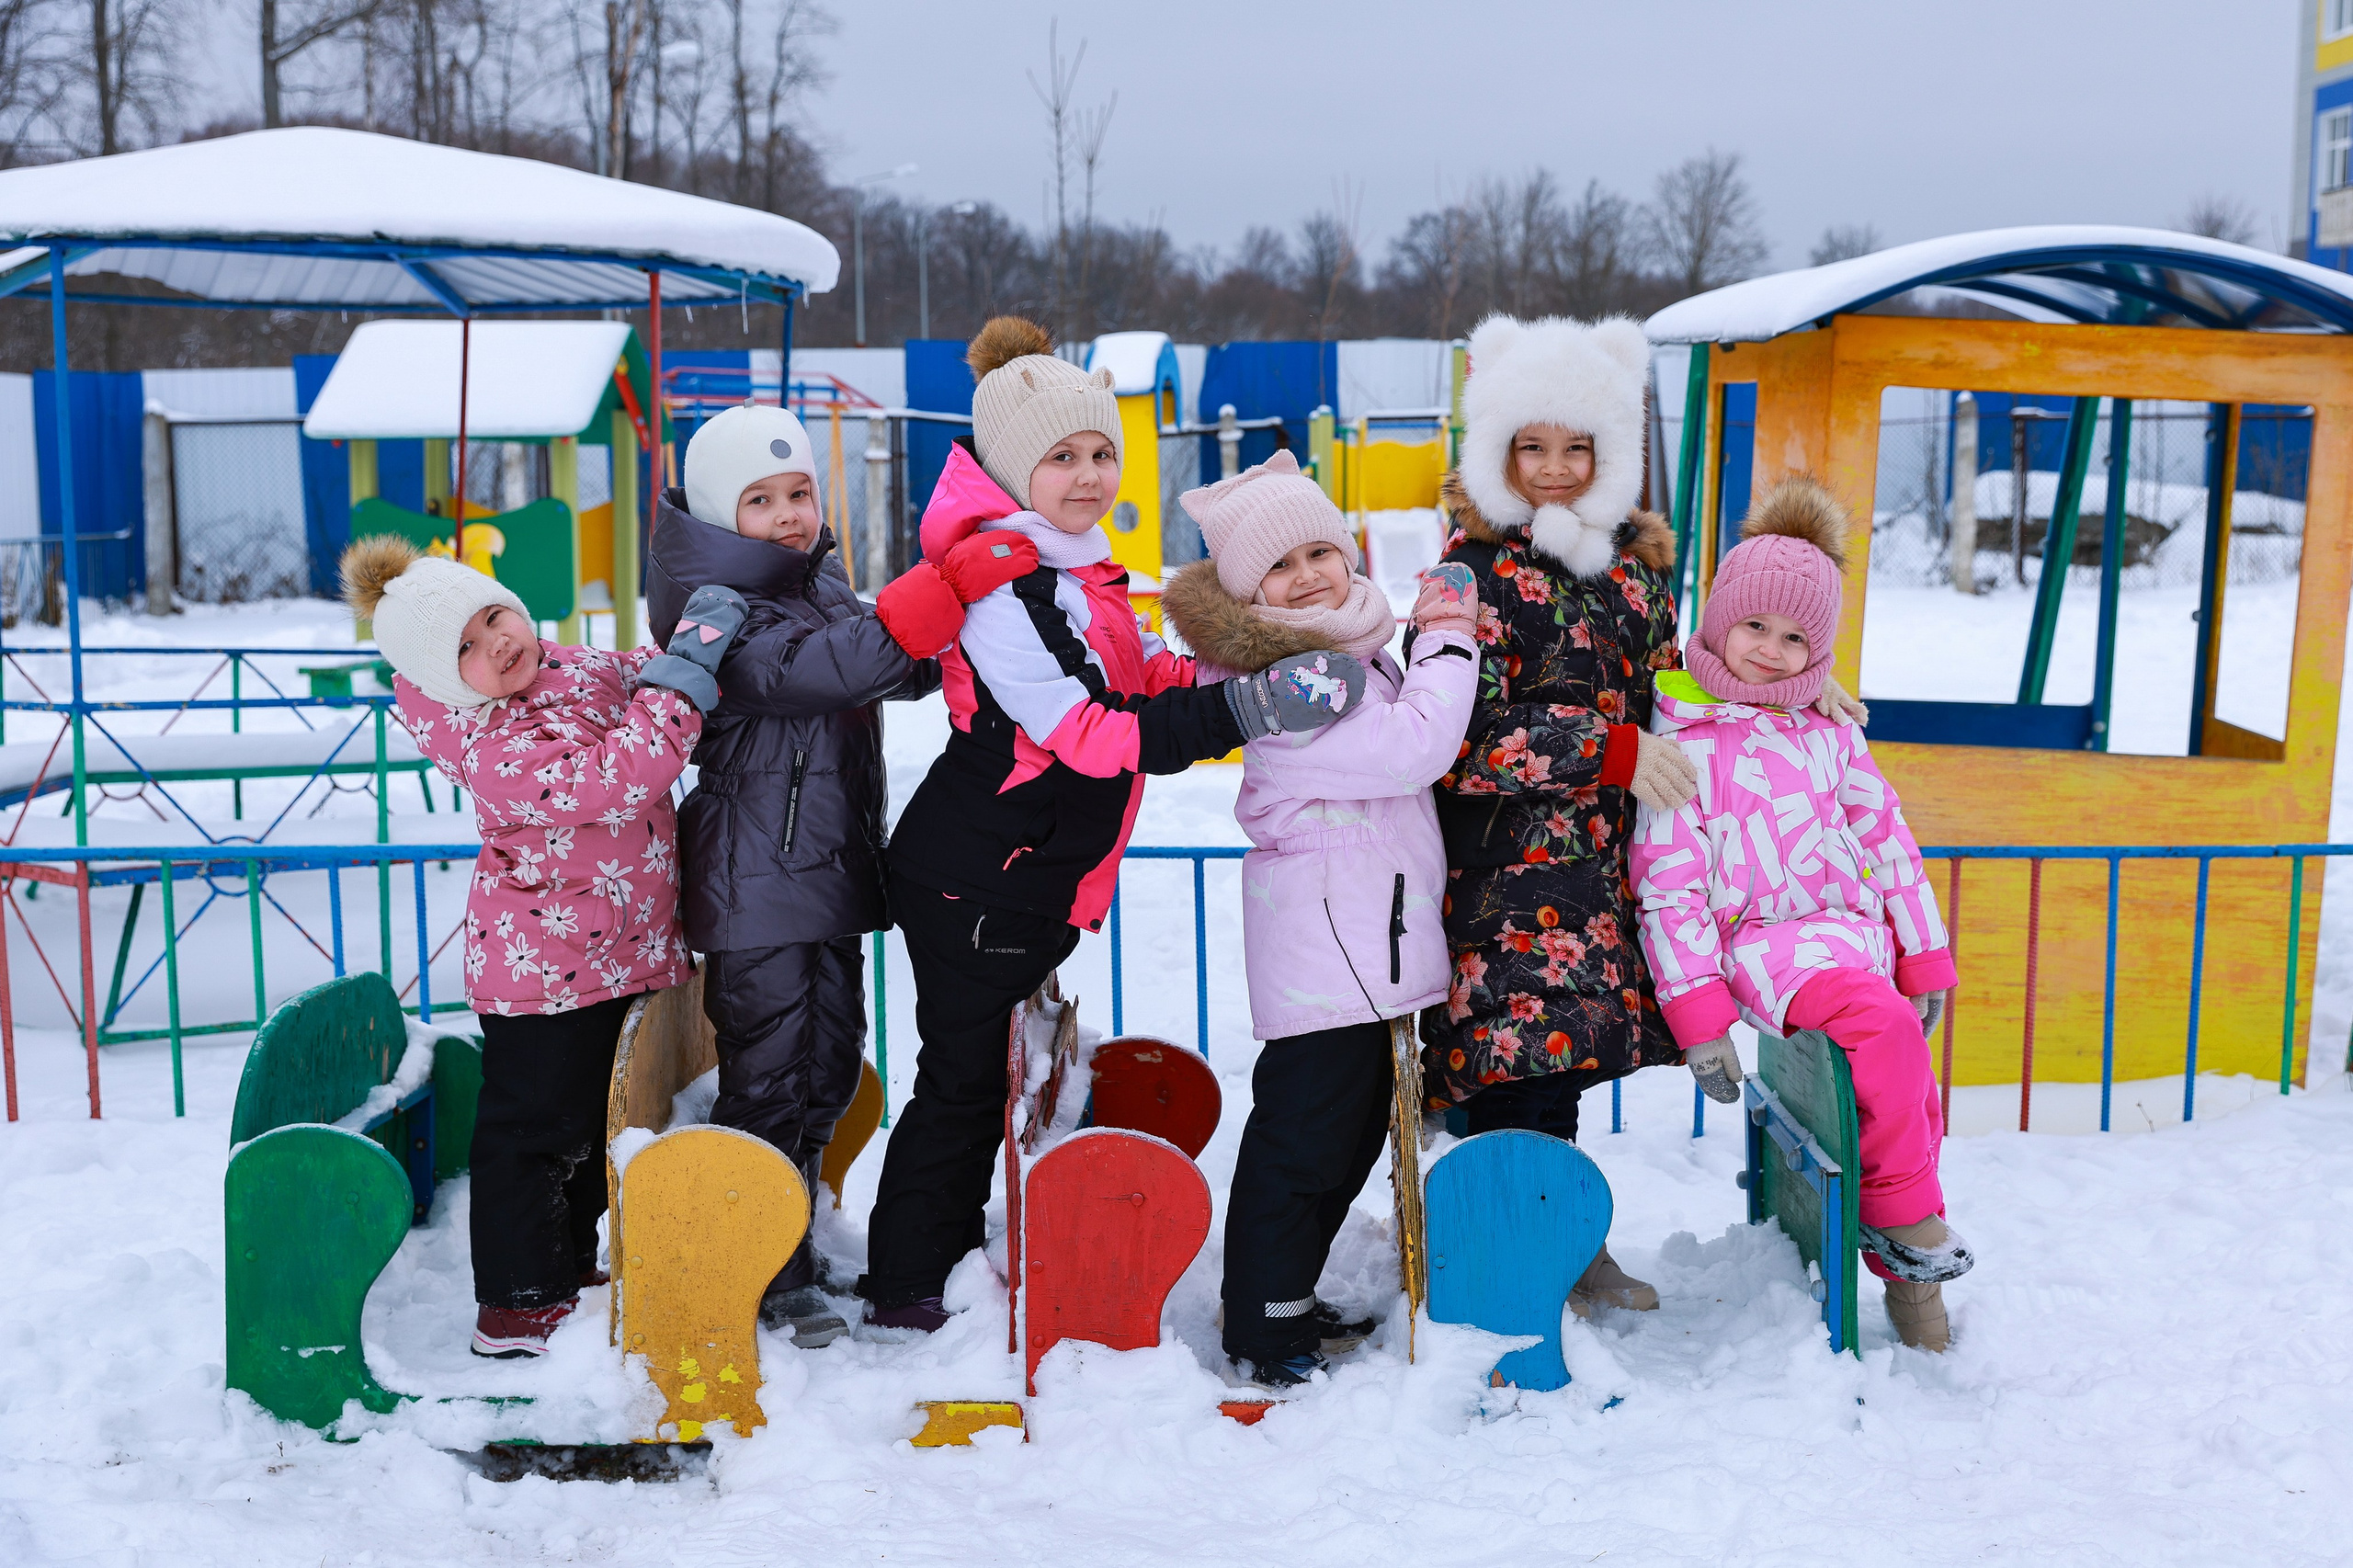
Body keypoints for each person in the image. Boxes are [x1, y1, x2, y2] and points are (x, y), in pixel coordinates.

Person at [860, 317, 1367, 1331]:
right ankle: (909, 1278)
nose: (1088, 475)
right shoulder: (1005, 585)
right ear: (1014, 469)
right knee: (958, 1087)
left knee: (980, 1081)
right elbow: (1082, 729)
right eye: (1061, 457)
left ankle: (941, 1257)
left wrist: (1235, 670)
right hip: (977, 875)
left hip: (1020, 874)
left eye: (1100, 452)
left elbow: (1136, 676)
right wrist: (1239, 714)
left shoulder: (1072, 568)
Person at [645, 402, 1033, 1347]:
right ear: (713, 512)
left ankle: (793, 1233)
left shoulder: (814, 588)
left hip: (822, 875)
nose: (788, 513)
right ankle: (763, 1265)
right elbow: (820, 671)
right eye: (762, 499)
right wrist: (937, 587)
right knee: (770, 1076)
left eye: (800, 493)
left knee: (825, 1066)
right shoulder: (717, 608)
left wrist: (965, 620)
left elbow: (888, 664)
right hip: (757, 888)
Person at [342, 533, 743, 1358]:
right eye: (468, 647)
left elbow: (633, 673)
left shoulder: (565, 666)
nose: (497, 642)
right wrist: (680, 693)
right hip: (544, 974)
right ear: (444, 678)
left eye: (494, 615)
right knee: (533, 1137)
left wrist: (681, 651)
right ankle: (517, 1302)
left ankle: (567, 1271)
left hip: (619, 951)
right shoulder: (489, 739)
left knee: (595, 1130)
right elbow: (617, 775)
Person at [1162, 451, 1480, 1389]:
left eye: (1319, 551)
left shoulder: (1349, 644)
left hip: (1356, 939)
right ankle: (1262, 1325)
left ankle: (1283, 1294)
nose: (1307, 575)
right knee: (1303, 1141)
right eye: (1279, 566)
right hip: (1329, 948)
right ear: (1247, 592)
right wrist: (1450, 638)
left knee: (1342, 1139)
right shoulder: (1295, 684)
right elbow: (1413, 747)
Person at [1631, 476, 1969, 1351]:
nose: (1773, 653)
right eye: (1754, 628)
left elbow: (1887, 839)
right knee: (1883, 1029)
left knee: (1907, 1097)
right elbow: (1667, 886)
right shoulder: (1678, 739)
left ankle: (1910, 1289)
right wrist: (1699, 1018)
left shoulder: (1826, 727)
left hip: (1847, 940)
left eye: (1796, 639)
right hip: (1763, 946)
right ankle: (1911, 1229)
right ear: (1716, 622)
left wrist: (1924, 956)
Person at [1416, 312, 1701, 1318]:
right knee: (1507, 1067)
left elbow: (1677, 690)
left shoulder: (1633, 572)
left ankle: (1563, 1240)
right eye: (1529, 445)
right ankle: (1499, 1251)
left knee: (1566, 1067)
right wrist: (1609, 751)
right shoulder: (1470, 576)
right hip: (1498, 876)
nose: (1552, 467)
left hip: (1602, 871)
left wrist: (1796, 691)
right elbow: (1456, 737)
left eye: (1576, 446)